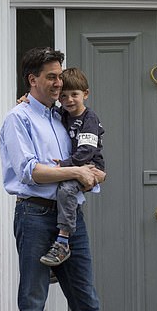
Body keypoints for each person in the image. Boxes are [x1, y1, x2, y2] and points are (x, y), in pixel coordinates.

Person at [0, 47, 126, 311]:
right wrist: (75, 172)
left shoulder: (64, 116)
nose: (58, 83)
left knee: (88, 306)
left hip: (72, 221)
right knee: (33, 306)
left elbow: (90, 164)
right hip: (36, 216)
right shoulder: (18, 118)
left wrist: (93, 174)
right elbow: (30, 171)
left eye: (60, 76)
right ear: (32, 79)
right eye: (51, 77)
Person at [39, 67, 106, 267]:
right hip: (73, 166)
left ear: (85, 94)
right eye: (64, 96)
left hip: (89, 165)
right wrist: (25, 99)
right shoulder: (62, 113)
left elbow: (86, 151)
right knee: (62, 193)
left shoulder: (89, 119)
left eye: (74, 95)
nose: (69, 100)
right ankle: (58, 262)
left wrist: (63, 166)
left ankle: (63, 241)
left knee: (67, 191)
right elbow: (41, 108)